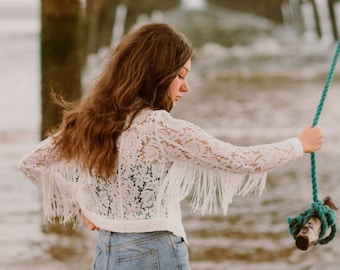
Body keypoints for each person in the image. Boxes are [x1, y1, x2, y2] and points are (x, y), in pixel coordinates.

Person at [19, 23, 323, 270]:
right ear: (156, 73)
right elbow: (239, 159)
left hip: (105, 255)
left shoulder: (91, 122)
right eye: (180, 75)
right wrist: (299, 144)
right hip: (156, 253)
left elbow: (31, 164)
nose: (186, 87)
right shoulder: (160, 128)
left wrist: (81, 203)